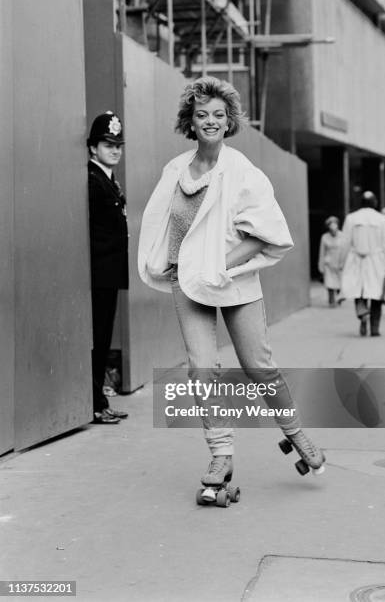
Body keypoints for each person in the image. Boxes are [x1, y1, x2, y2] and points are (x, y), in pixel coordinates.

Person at [138, 77, 324, 500]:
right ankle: (221, 453)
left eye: (219, 115)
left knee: (260, 367)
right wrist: (171, 261)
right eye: (202, 114)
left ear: (229, 121)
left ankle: (295, 433)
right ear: (191, 121)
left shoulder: (241, 170)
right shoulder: (176, 171)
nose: (211, 121)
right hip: (188, 285)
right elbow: (163, 224)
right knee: (202, 369)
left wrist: (219, 265)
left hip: (232, 283)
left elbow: (265, 235)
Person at [87, 111, 129, 424]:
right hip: (97, 275)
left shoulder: (108, 180)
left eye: (118, 144)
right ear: (92, 148)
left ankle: (99, 400)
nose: (114, 149)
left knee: (102, 339)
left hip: (109, 273)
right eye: (107, 143)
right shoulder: (92, 180)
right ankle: (94, 403)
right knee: (97, 339)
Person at [340, 191, 385, 337]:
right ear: (375, 202)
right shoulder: (382, 219)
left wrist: (342, 262)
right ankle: (375, 328)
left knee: (359, 291)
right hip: (377, 261)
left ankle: (363, 316)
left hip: (356, 259)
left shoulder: (351, 218)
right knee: (376, 295)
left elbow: (345, 243)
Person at [318, 216, 345, 307]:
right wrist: (321, 266)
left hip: (339, 262)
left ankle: (339, 297)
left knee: (339, 283)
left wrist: (344, 262)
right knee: (329, 283)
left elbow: (345, 250)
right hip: (328, 263)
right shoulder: (325, 237)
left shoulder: (342, 236)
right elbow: (322, 252)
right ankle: (331, 301)